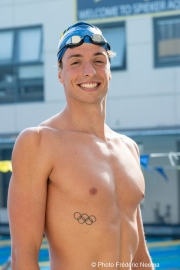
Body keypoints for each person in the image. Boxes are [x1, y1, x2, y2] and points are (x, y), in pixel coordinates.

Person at [8, 22, 154, 270]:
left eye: (99, 60)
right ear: (60, 74)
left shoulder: (128, 148)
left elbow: (139, 255)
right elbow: (24, 256)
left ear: (109, 71)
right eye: (75, 62)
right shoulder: (38, 142)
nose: (89, 71)